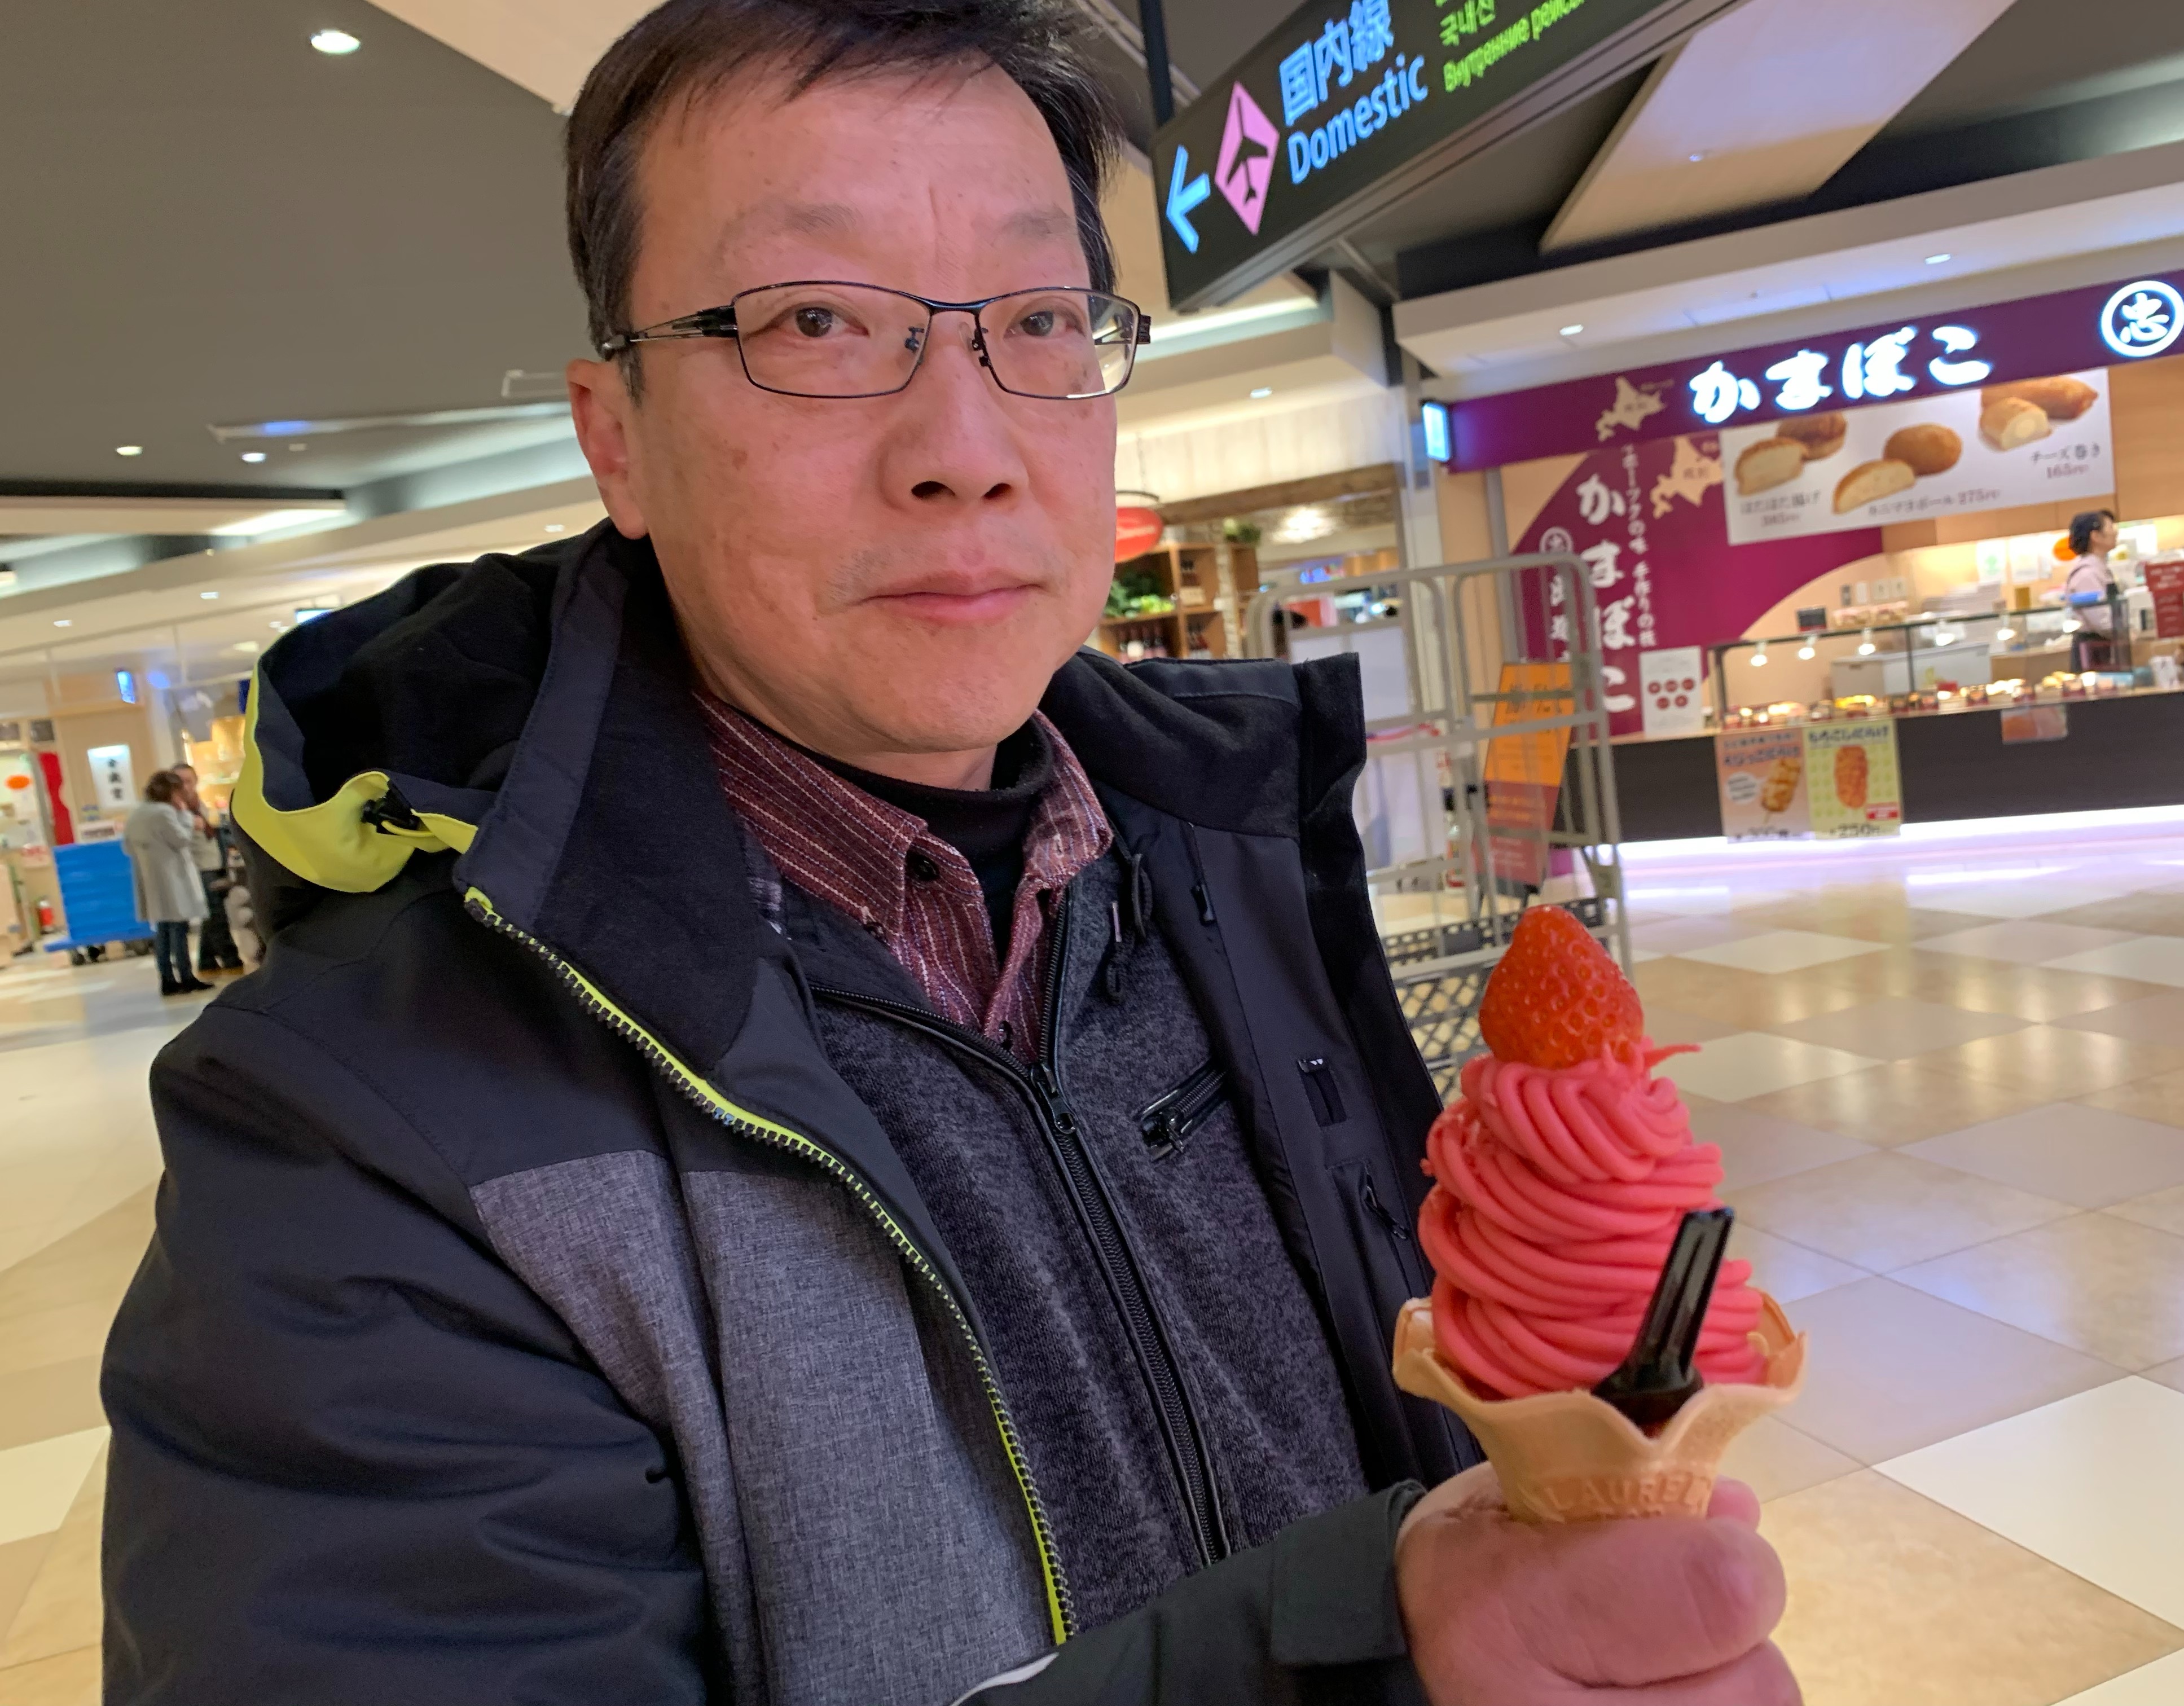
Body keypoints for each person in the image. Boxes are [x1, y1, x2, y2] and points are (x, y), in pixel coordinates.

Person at [99, 4, 1794, 1703]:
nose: (966, 454)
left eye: (1038, 319)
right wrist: (1373, 1645)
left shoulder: (1236, 855)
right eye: (814, 322)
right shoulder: (352, 1128)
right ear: (617, 437)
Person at [121, 773, 209, 997]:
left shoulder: (137, 813)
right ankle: (186, 977)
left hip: (150, 879)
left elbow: (127, 847)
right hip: (174, 879)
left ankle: (167, 979)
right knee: (178, 929)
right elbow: (181, 839)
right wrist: (187, 817)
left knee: (162, 930)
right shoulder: (164, 812)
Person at [169, 761, 241, 975]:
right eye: (180, 782)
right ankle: (231, 959)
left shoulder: (197, 804)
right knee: (216, 915)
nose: (186, 786)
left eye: (189, 781)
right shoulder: (174, 810)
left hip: (215, 863)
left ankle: (207, 961)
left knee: (212, 915)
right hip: (199, 868)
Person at [2063, 509, 2120, 667]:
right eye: (2110, 527)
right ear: (2095, 536)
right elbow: (2103, 622)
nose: (2116, 532)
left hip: (2102, 650)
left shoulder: (2099, 570)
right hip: (2093, 654)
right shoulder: (2086, 575)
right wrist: (2128, 631)